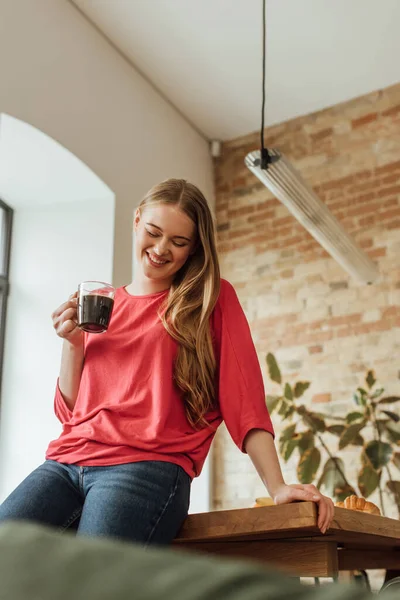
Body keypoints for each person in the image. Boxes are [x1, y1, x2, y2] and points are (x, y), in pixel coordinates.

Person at [0, 178, 334, 544]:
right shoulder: (104, 305)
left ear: (193, 249)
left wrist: (277, 486)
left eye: (178, 242)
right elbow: (70, 413)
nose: (161, 249)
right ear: (137, 219)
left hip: (144, 467)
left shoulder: (211, 300)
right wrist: (73, 344)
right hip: (65, 463)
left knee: (90, 582)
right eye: (154, 232)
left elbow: (245, 400)